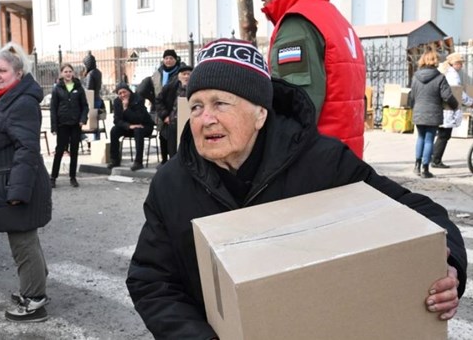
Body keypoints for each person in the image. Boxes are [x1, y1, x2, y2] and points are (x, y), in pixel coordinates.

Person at [126, 39, 466, 339]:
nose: (205, 119)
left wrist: (447, 267)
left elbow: (421, 214)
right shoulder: (172, 183)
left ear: (260, 113)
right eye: (197, 106)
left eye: (220, 104)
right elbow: (151, 279)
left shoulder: (322, 163)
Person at [256, 0, 366, 158]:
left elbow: (295, 112)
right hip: (340, 157)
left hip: (312, 165)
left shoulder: (298, 24)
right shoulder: (334, 19)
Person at [0, 43, 52, 322]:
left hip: (16, 186)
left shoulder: (20, 102)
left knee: (23, 243)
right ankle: (37, 287)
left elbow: (27, 149)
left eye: (3, 71)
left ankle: (34, 300)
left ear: (18, 73)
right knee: (26, 240)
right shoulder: (4, 97)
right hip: (9, 182)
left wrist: (17, 191)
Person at [408, 49, 458, 178]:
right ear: (436, 61)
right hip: (433, 112)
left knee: (420, 138)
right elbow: (447, 96)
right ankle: (425, 169)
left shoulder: (415, 77)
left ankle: (417, 166)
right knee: (429, 139)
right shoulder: (440, 77)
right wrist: (455, 105)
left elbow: (412, 96)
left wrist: (415, 108)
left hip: (419, 111)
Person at [138, 49, 185, 164]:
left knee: (175, 135)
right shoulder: (158, 73)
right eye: (166, 58)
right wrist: (153, 100)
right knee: (162, 134)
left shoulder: (181, 72)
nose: (168, 60)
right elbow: (145, 89)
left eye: (171, 58)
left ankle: (176, 160)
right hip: (161, 107)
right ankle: (164, 160)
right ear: (163, 60)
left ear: (176, 59)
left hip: (176, 108)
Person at [49, 63, 89, 188]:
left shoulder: (78, 87)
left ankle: (73, 177)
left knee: (75, 151)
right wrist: (54, 127)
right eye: (65, 71)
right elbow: (53, 109)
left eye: (70, 71)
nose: (68, 74)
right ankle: (53, 177)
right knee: (60, 150)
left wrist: (83, 119)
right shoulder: (57, 88)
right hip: (62, 124)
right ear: (61, 73)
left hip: (76, 124)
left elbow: (85, 106)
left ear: (73, 73)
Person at [432, 52, 473, 168]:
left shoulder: (444, 71)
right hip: (448, 108)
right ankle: (436, 160)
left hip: (441, 107)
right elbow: (457, 93)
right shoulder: (452, 75)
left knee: (441, 134)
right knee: (444, 135)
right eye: (460, 63)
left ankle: (433, 157)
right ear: (455, 63)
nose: (461, 66)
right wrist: (470, 102)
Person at [108, 83, 154, 171]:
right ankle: (114, 160)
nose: (123, 95)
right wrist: (129, 126)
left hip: (144, 126)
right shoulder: (117, 102)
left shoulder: (138, 99)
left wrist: (126, 109)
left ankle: (138, 162)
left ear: (129, 91)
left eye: (124, 92)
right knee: (114, 130)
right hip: (129, 127)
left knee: (138, 130)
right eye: (120, 93)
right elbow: (116, 120)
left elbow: (139, 118)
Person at [155, 64, 193, 159]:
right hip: (173, 122)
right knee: (173, 150)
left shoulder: (196, 87)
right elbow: (158, 100)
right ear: (179, 76)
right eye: (184, 74)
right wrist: (165, 116)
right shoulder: (171, 87)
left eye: (189, 74)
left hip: (192, 122)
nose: (186, 76)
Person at [82, 53, 103, 140]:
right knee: (95, 122)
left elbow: (88, 88)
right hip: (97, 98)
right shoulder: (98, 72)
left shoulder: (90, 74)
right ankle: (96, 139)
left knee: (89, 121)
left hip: (91, 100)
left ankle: (87, 138)